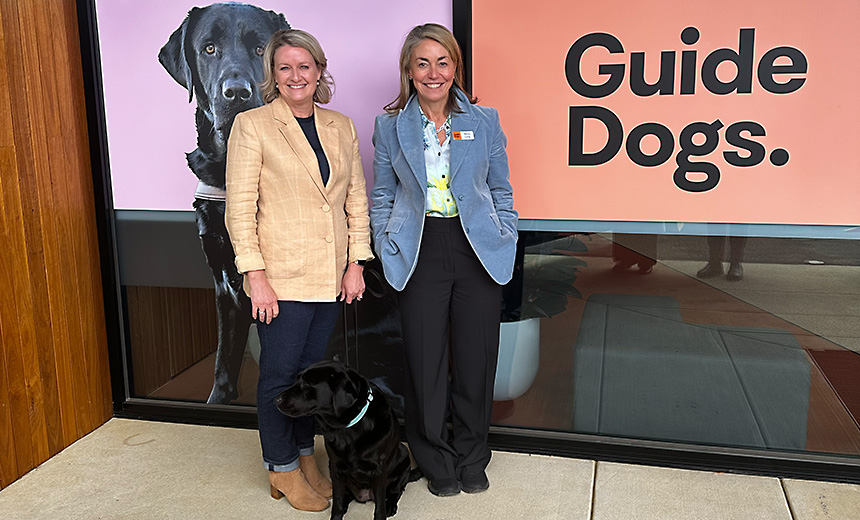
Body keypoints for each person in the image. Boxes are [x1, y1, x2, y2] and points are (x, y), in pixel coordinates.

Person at [225, 29, 372, 512]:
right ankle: (281, 468)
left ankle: (306, 457)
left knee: (309, 377)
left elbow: (356, 200)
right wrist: (256, 278)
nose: (296, 76)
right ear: (273, 74)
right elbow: (240, 209)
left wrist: (355, 263)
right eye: (285, 67)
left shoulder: (339, 124)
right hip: (280, 279)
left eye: (304, 66)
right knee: (279, 377)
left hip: (329, 276)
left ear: (319, 70)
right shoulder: (253, 125)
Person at [369, 23, 518, 497]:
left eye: (443, 62)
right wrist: (384, 240)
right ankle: (436, 460)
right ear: (408, 71)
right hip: (419, 250)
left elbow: (500, 188)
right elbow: (382, 195)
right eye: (422, 63)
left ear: (456, 67)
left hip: (476, 248)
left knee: (476, 361)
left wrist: (505, 232)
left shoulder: (485, 119)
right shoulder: (389, 126)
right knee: (424, 362)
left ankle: (473, 456)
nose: (433, 73)